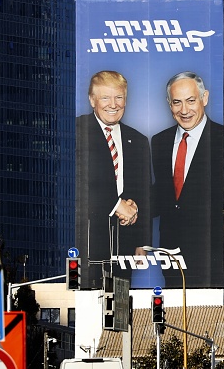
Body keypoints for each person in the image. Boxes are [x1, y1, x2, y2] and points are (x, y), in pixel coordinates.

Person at [76, 70, 151, 289]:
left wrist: (142, 242)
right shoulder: (78, 131)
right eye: (105, 97)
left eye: (119, 97)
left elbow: (144, 193)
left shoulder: (138, 140)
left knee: (120, 306)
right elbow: (81, 182)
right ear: (92, 100)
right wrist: (118, 205)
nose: (113, 104)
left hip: (125, 241)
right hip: (87, 235)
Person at [151, 71, 224, 288]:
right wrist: (132, 206)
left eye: (191, 101)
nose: (184, 110)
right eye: (177, 102)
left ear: (205, 98)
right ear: (169, 104)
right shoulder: (159, 142)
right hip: (171, 253)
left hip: (212, 254)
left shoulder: (223, 139)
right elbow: (163, 194)